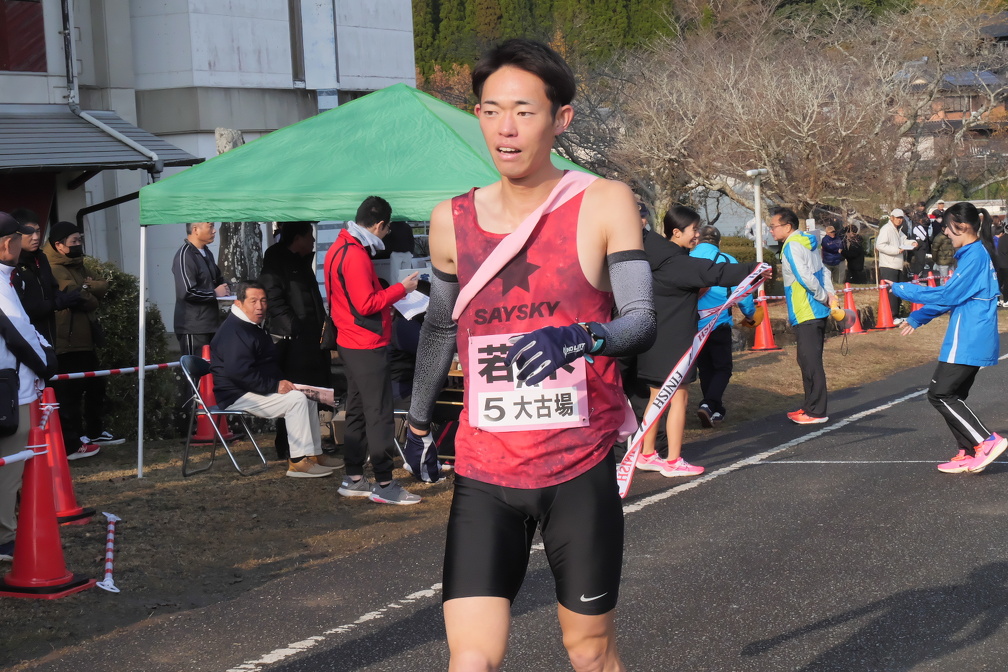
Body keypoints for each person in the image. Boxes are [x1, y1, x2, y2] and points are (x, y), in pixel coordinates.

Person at [406, 38, 656, 671]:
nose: (506, 128)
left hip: (578, 465)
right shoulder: (450, 219)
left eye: (523, 111)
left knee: (589, 650)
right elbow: (439, 328)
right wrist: (416, 421)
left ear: (560, 118)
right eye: (491, 111)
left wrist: (580, 337)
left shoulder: (603, 200)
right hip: (485, 469)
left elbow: (640, 321)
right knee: (471, 658)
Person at [636, 207, 763, 474]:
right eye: (694, 229)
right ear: (676, 232)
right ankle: (673, 460)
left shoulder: (652, 254)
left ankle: (647, 454)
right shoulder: (677, 262)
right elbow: (715, 273)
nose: (697, 234)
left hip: (654, 338)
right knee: (679, 399)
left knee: (656, 398)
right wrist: (755, 269)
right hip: (675, 342)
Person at [889, 202, 1005, 473]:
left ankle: (986, 442)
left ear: (962, 227)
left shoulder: (975, 256)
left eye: (947, 227)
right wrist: (918, 317)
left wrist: (904, 290)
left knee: (940, 394)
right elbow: (953, 297)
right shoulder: (973, 254)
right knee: (953, 395)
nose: (945, 232)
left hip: (969, 336)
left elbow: (948, 295)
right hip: (973, 334)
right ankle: (968, 451)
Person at [325, 196, 421, 505]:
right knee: (379, 413)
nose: (387, 233)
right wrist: (400, 290)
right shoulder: (354, 254)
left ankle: (354, 477)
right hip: (366, 342)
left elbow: (354, 299)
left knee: (356, 408)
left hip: (349, 339)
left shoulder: (339, 247)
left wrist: (387, 296)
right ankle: (384, 483)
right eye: (387, 228)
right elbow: (366, 304)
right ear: (379, 224)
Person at [210, 281, 333, 478]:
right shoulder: (234, 331)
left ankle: (313, 454)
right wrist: (274, 386)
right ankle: (298, 462)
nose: (260, 306)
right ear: (239, 303)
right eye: (253, 301)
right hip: (237, 394)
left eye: (263, 300)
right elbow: (238, 373)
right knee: (296, 400)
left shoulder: (251, 325)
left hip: (251, 388)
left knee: (307, 396)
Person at [258, 221, 342, 468]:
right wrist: (294, 328)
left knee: (312, 394)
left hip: (312, 338)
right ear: (298, 238)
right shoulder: (276, 259)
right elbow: (274, 299)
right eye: (309, 236)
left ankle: (313, 448)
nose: (314, 241)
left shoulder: (301, 260)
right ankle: (290, 447)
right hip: (292, 341)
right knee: (295, 393)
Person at [0, 212, 56, 561]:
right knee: (10, 465)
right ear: (8, 243)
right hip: (8, 388)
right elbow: (20, 332)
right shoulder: (1, 282)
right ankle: (4, 537)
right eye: (20, 238)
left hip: (8, 383)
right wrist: (48, 363)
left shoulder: (8, 278)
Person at [44, 221, 122, 459]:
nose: (79, 244)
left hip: (86, 338)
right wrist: (87, 288)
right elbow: (80, 297)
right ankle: (76, 439)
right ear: (59, 245)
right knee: (70, 393)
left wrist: (86, 286)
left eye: (80, 239)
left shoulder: (78, 264)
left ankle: (95, 431)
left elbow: (103, 285)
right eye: (74, 241)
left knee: (96, 386)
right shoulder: (53, 267)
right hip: (66, 342)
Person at [771, 207, 836, 425]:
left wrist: (823, 296)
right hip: (815, 310)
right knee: (806, 359)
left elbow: (805, 276)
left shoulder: (791, 246)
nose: (771, 230)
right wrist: (829, 295)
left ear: (788, 226)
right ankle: (809, 406)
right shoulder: (809, 242)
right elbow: (824, 271)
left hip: (806, 310)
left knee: (810, 361)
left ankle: (816, 411)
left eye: (773, 226)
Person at [690, 225, 757, 427]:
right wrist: (750, 314)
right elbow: (743, 292)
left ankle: (715, 410)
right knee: (723, 368)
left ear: (697, 240)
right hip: (719, 323)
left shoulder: (687, 259)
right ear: (719, 242)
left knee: (705, 369)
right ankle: (708, 404)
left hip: (694, 325)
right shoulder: (727, 260)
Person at [10, 208, 82, 346]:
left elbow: (52, 287)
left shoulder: (41, 258)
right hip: (26, 340)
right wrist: (54, 304)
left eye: (37, 231)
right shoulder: (12, 265)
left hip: (49, 336)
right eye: (29, 232)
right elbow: (21, 308)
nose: (36, 237)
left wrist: (63, 296)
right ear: (16, 234)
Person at [172, 222, 229, 357]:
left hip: (212, 324)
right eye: (210, 226)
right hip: (193, 327)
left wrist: (233, 289)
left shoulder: (206, 252)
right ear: (195, 229)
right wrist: (215, 293)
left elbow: (218, 279)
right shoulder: (185, 255)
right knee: (197, 368)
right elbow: (187, 291)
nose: (214, 231)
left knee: (214, 367)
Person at [875, 208, 916, 324]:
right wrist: (896, 250)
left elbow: (904, 240)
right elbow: (880, 245)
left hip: (897, 265)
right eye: (897, 218)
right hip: (888, 265)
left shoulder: (898, 230)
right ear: (892, 218)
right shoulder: (886, 229)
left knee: (897, 291)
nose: (899, 220)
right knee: (891, 292)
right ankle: (892, 316)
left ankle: (897, 314)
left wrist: (912, 243)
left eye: (901, 218)